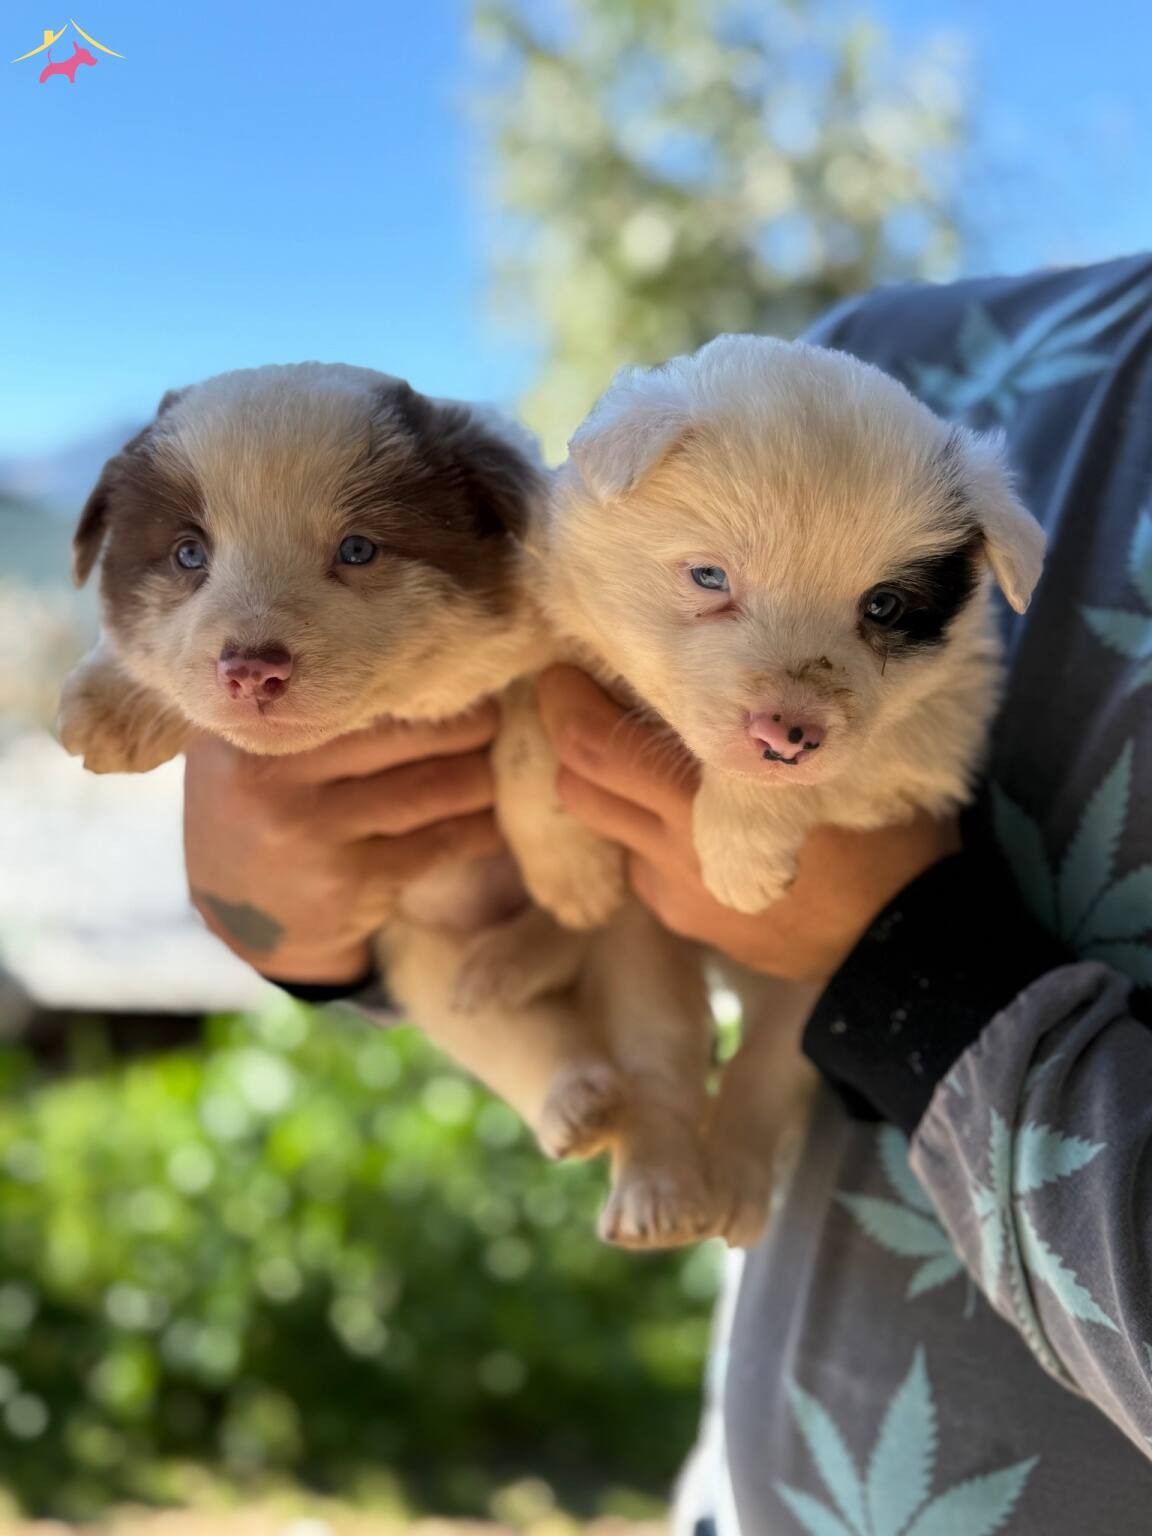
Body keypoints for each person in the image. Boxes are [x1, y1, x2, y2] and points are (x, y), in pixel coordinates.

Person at [185, 253, 1152, 1534]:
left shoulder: (941, 477)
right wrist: (305, 925)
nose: (790, 700)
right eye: (712, 585)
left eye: (878, 611)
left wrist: (896, 953)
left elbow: (864, 794)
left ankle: (730, 1107)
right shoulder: (888, 338)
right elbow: (515, 750)